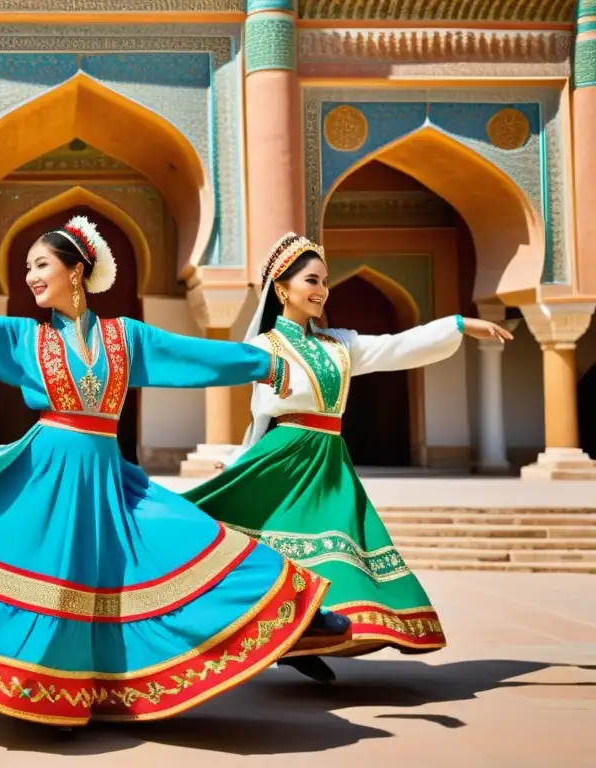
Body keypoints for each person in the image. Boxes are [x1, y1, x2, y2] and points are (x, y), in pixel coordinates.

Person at [0, 216, 352, 727]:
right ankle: (42, 684)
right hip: (46, 477)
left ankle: (291, 611)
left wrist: (263, 364)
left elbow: (191, 354)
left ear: (75, 271)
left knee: (191, 535)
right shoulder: (28, 340)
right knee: (53, 582)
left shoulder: (127, 338)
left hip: (107, 480)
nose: (31, 277)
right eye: (28, 268)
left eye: (40, 265)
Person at [184, 232, 514, 683]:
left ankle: (306, 637)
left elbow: (397, 346)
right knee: (275, 552)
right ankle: (293, 637)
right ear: (281, 289)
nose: (321, 290)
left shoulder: (340, 344)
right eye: (311, 280)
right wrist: (241, 461)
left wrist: (458, 324)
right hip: (283, 461)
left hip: (329, 463)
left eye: (324, 282)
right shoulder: (264, 349)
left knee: (337, 551)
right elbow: (260, 416)